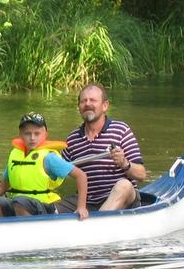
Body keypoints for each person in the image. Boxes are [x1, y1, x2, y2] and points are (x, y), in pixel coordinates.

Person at [58, 84, 147, 212]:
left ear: (105, 105)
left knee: (124, 185)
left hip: (122, 198)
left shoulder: (121, 130)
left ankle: (97, 223)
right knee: (49, 208)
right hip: (85, 201)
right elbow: (57, 171)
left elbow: (141, 174)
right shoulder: (72, 139)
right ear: (79, 107)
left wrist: (124, 163)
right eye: (83, 101)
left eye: (93, 100)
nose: (87, 104)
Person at [0, 112, 88, 220]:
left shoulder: (49, 158)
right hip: (17, 202)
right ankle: (1, 230)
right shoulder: (15, 155)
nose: (32, 138)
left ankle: (28, 231)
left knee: (21, 203)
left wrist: (81, 207)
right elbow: (3, 186)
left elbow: (81, 175)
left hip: (43, 205)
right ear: (21, 134)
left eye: (37, 133)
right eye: (27, 133)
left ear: (45, 134)